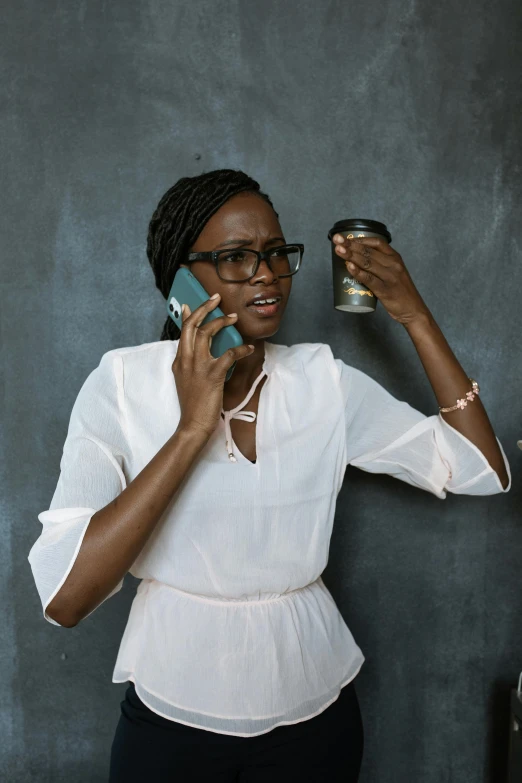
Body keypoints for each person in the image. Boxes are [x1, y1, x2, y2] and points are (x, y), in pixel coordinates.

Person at [28, 169, 511, 783]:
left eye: (277, 253)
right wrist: (190, 431)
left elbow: (481, 470)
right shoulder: (122, 384)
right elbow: (66, 598)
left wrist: (414, 316)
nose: (266, 273)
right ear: (180, 278)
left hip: (316, 717)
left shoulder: (321, 382)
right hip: (173, 724)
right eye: (235, 257)